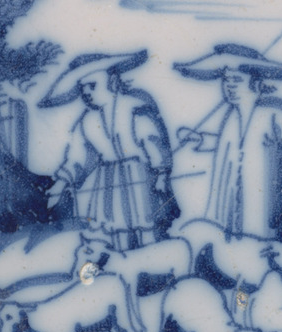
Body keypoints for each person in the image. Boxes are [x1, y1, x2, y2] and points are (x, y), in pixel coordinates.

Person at [174, 43, 282, 242]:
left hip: (262, 195)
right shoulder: (231, 117)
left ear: (256, 82)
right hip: (229, 196)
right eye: (226, 80)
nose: (229, 86)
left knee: (263, 236)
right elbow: (228, 145)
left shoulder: (276, 113)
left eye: (236, 80)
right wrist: (200, 139)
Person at [39, 50, 178, 248]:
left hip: (139, 175)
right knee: (116, 226)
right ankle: (122, 257)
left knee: (146, 222)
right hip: (109, 180)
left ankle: (153, 253)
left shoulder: (134, 108)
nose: (87, 93)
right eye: (83, 89)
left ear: (112, 81)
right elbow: (79, 156)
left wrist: (162, 173)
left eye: (92, 85)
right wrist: (60, 184)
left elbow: (151, 139)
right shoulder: (88, 121)